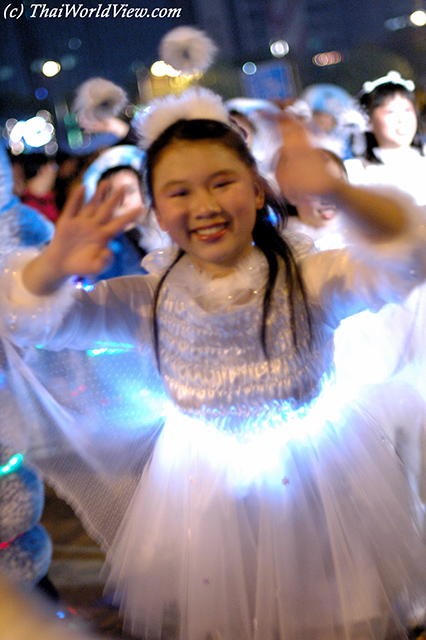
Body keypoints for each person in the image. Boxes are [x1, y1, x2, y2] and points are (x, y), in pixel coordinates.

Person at [1, 87, 426, 640]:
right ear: (155, 210)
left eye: (221, 183)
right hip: (205, 497)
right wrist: (54, 264)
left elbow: (406, 258)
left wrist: (338, 193)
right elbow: (35, 322)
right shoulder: (145, 298)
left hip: (320, 489)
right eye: (178, 192)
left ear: (256, 190)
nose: (203, 207)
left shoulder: (311, 280)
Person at [345, 70, 426, 208]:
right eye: (390, 112)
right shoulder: (355, 172)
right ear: (368, 121)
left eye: (407, 110)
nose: (402, 119)